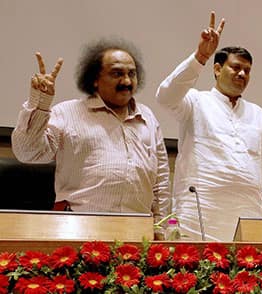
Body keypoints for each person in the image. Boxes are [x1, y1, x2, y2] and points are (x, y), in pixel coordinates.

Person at [11, 39, 171, 226]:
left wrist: (161, 226)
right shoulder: (68, 113)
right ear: (95, 79)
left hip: (138, 232)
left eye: (132, 74)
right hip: (78, 228)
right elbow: (27, 152)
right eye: (117, 73)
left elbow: (160, 181)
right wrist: (40, 101)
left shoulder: (148, 117)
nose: (127, 81)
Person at [156, 12, 262, 241]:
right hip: (199, 213)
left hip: (248, 215)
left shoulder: (257, 114)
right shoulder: (195, 101)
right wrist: (200, 57)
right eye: (235, 67)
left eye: (247, 70)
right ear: (217, 69)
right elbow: (165, 96)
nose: (242, 73)